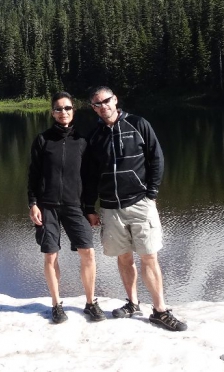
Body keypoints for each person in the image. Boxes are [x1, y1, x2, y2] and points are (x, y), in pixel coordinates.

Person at [82, 86, 187, 332]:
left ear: (115, 99)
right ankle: (132, 303)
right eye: (97, 104)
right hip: (110, 208)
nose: (103, 106)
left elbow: (156, 158)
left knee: (149, 256)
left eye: (106, 101)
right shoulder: (95, 136)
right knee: (124, 257)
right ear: (93, 108)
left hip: (140, 203)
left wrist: (151, 194)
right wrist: (89, 207)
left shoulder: (138, 125)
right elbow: (89, 175)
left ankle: (160, 310)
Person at [28, 91, 106, 324]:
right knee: (50, 255)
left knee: (88, 253)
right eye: (59, 109)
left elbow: (90, 178)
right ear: (52, 112)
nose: (64, 112)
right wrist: (32, 204)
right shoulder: (43, 140)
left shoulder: (82, 141)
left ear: (74, 110)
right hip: (47, 206)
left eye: (68, 108)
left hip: (76, 206)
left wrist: (90, 208)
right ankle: (56, 304)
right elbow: (33, 175)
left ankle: (91, 303)